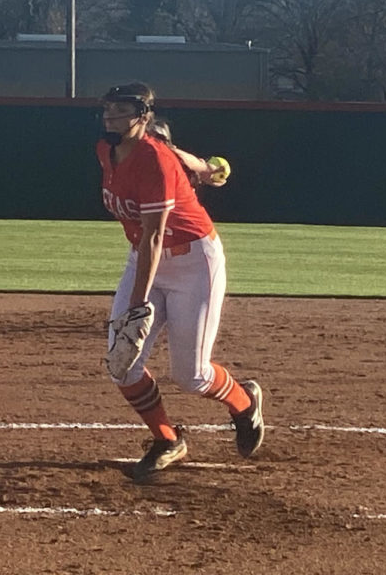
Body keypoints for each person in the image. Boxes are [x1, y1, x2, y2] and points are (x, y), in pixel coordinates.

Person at [96, 82, 264, 480]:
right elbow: (173, 158)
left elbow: (155, 235)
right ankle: (168, 440)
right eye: (107, 110)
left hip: (193, 263)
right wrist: (204, 168)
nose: (109, 117)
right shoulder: (106, 150)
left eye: (120, 110)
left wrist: (137, 307)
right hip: (144, 258)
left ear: (142, 116)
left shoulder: (155, 160)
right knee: (122, 363)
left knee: (191, 375)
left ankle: (245, 403)